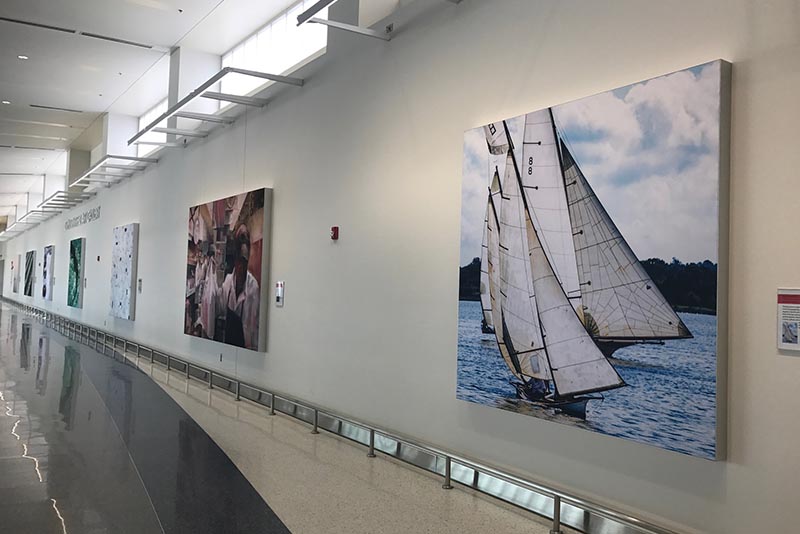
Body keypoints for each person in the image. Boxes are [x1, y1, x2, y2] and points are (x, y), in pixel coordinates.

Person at [215, 224, 260, 349]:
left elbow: (253, 327)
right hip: (229, 343)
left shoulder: (253, 288)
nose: (241, 268)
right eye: (239, 262)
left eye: (244, 262)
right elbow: (220, 308)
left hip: (245, 347)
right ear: (235, 261)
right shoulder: (228, 282)